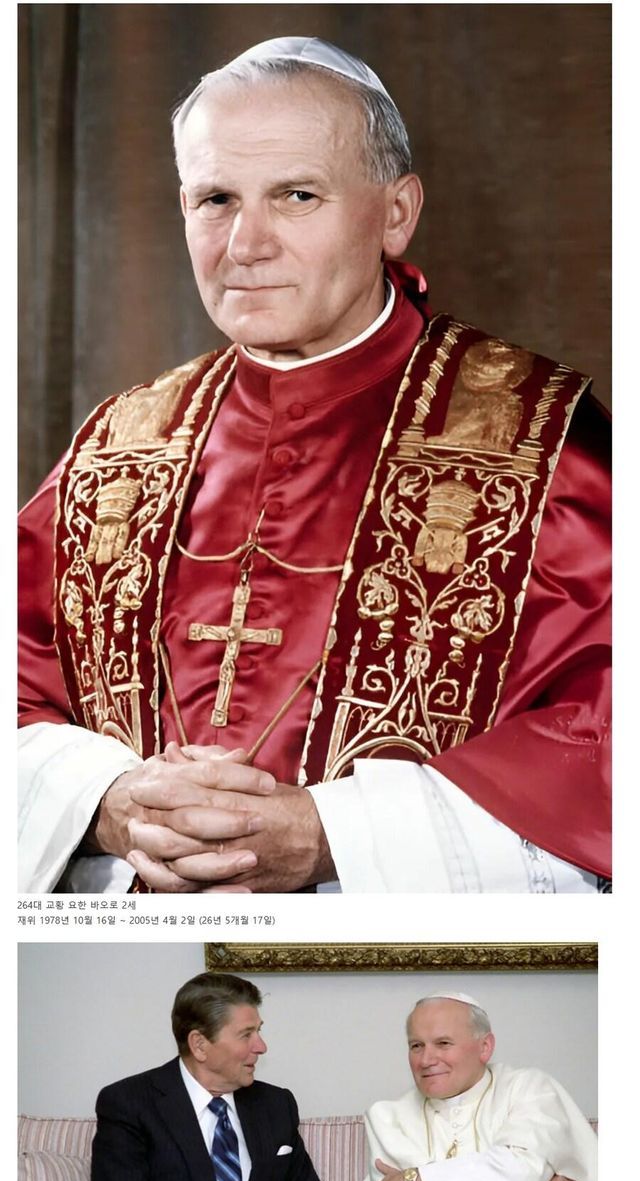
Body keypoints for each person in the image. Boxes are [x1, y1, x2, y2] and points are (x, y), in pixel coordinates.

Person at [18, 36, 611, 894]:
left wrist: (335, 835)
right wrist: (107, 802)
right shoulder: (114, 449)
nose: (245, 243)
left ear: (396, 213)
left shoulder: (548, 444)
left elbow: (605, 736)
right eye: (216, 199)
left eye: (296, 196)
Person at [71, 971, 329, 1181]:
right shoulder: (130, 1102)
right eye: (246, 1034)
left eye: (258, 1031)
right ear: (199, 1045)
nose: (261, 1046)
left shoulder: (275, 1105)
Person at [348, 992, 597, 1181]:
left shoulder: (530, 1089)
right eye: (416, 1046)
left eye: (443, 1043)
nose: (426, 1059)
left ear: (485, 1047)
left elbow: (519, 1174)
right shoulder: (387, 1116)